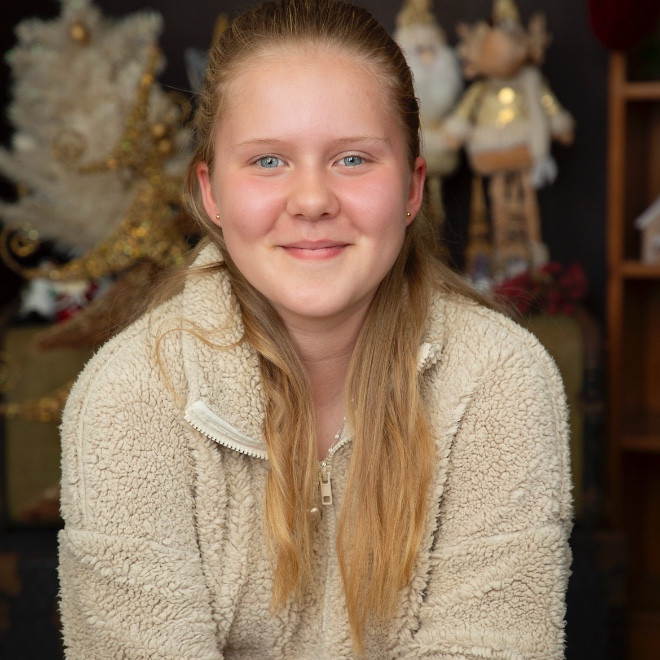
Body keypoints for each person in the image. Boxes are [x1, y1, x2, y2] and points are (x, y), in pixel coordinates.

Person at [58, 0, 572, 657]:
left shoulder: (499, 379)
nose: (311, 201)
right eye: (268, 161)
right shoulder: (132, 395)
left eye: (352, 159)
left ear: (413, 188)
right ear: (211, 192)